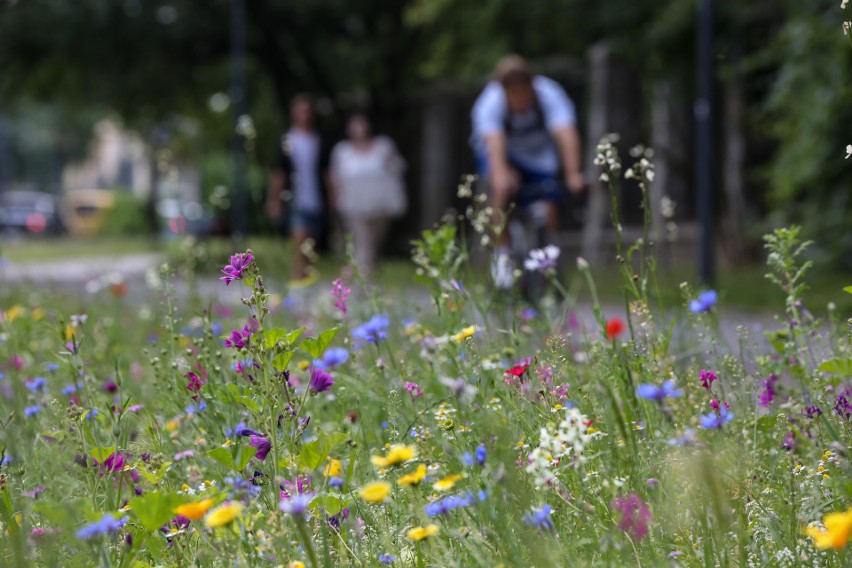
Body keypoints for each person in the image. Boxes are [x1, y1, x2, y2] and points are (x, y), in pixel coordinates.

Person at [470, 55, 584, 288]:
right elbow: (494, 143)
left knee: (549, 203)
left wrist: (573, 174)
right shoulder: (490, 102)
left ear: (533, 85)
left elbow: (566, 133)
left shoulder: (550, 94)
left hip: (540, 157)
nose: (520, 100)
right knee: (501, 191)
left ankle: (548, 259)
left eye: (524, 93)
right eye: (514, 94)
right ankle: (501, 256)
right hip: (502, 154)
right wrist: (502, 176)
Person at [328, 114, 407, 276]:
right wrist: (335, 197)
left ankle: (369, 276)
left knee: (374, 243)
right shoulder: (342, 151)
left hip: (381, 206)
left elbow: (399, 169)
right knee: (362, 243)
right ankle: (361, 281)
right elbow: (335, 176)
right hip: (353, 205)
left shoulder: (383, 146)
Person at [266, 94, 331, 282]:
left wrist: (334, 195)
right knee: (300, 243)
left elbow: (327, 170)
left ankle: (306, 283)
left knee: (311, 249)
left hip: (316, 199)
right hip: (294, 199)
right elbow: (279, 172)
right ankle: (297, 282)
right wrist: (274, 200)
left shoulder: (319, 139)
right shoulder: (287, 140)